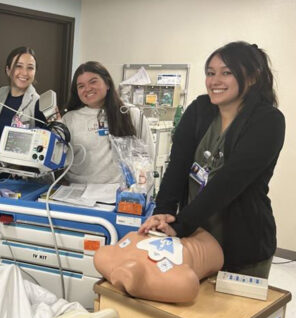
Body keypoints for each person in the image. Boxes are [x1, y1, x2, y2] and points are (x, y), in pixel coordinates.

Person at [139, 41, 285, 279]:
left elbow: (230, 182)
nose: (215, 81)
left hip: (242, 243)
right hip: (194, 238)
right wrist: (163, 212)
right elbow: (177, 166)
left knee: (233, 314)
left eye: (226, 73)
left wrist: (179, 225)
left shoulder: (268, 121)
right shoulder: (200, 109)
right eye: (210, 73)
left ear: (252, 77)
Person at [62, 61, 154, 184]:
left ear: (107, 83)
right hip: (77, 192)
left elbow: (148, 156)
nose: (88, 88)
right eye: (81, 86)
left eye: (93, 82)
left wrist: (140, 187)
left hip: (119, 193)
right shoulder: (69, 119)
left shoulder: (131, 113)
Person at [93, 228, 224, 303]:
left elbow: (188, 284)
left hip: (208, 239)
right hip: (166, 231)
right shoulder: (129, 244)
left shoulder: (171, 274)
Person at [0, 46, 47, 166]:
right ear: (8, 70)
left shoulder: (38, 103)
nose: (24, 73)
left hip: (24, 179)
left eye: (30, 68)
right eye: (18, 66)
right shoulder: (0, 95)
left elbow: (45, 148)